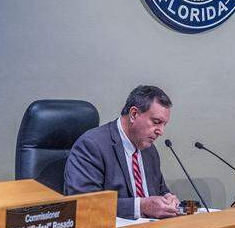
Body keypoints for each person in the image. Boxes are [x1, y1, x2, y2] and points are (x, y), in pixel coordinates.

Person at [64, 85, 180, 219]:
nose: (161, 131)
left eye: (163, 124)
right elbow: (84, 204)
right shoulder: (92, 145)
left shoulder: (149, 150)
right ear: (134, 114)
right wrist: (140, 206)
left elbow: (160, 191)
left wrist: (168, 199)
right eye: (156, 122)